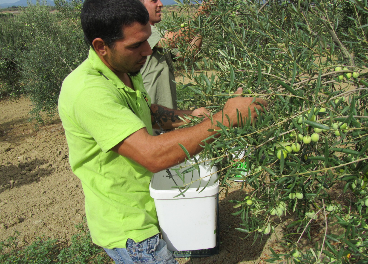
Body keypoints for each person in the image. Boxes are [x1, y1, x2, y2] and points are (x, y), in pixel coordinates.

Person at [58, 0, 267, 263]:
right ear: (102, 47)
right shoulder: (87, 92)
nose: (147, 50)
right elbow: (152, 155)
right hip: (131, 229)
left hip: (152, 208)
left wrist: (191, 117)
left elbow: (149, 112)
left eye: (147, 39)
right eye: (136, 45)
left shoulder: (124, 69)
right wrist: (224, 120)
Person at [139, 0, 210, 110]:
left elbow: (188, 56)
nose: (160, 4)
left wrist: (201, 26)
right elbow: (177, 39)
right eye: (154, 1)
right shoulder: (141, 30)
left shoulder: (159, 32)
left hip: (167, 110)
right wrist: (203, 10)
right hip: (151, 110)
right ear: (139, 5)